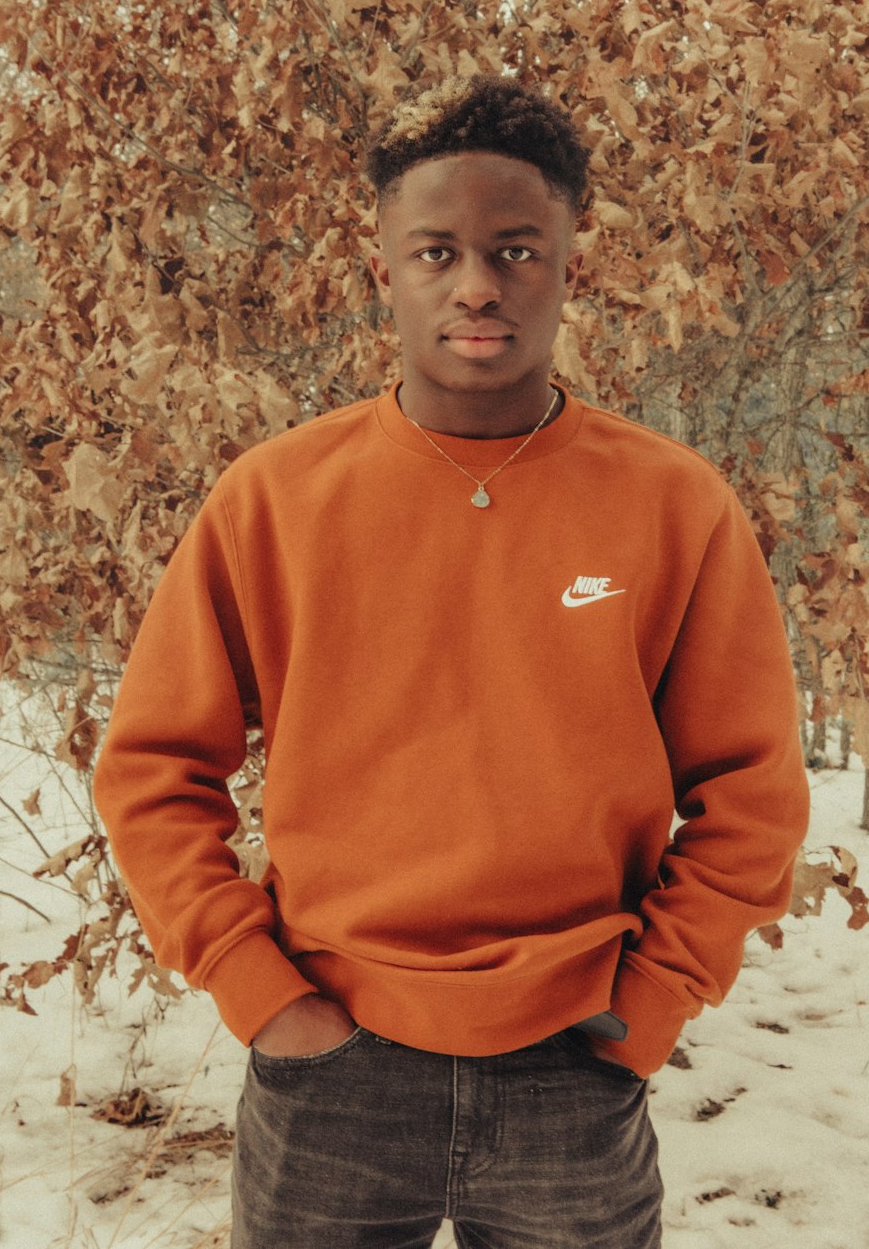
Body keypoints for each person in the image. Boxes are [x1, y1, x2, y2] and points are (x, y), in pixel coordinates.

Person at [93, 74, 811, 1248]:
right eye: (437, 251)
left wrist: (651, 1002)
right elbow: (152, 770)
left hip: (575, 1066)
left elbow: (753, 795)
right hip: (330, 1060)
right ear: (384, 270)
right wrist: (258, 991)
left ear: (570, 263)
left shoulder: (673, 505)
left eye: (516, 249)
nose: (478, 283)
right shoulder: (274, 501)